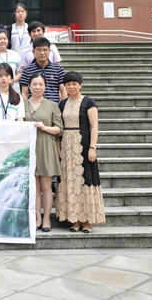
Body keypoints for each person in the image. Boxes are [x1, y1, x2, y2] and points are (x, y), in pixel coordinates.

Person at [57, 71, 105, 234]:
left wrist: (92, 147)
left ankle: (88, 221)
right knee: (71, 180)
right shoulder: (62, 104)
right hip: (66, 146)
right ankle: (75, 219)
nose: (71, 87)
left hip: (83, 144)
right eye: (68, 84)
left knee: (86, 179)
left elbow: (94, 126)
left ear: (80, 85)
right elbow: (60, 127)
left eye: (74, 84)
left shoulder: (88, 102)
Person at [24, 73, 63, 232]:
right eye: (34, 84)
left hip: (46, 146)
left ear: (45, 86)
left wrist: (45, 127)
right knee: (34, 185)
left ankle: (46, 218)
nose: (37, 87)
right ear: (29, 86)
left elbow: (59, 128)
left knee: (46, 186)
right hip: (29, 148)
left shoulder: (52, 105)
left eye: (40, 84)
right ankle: (37, 218)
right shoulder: (23, 105)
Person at [20, 37, 66, 103]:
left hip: (54, 106)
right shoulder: (27, 71)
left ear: (49, 51)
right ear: (33, 52)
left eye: (45, 50)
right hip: (34, 107)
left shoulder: (58, 69)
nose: (42, 53)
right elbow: (24, 93)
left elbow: (63, 91)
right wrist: (27, 107)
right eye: (38, 50)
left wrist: (62, 106)